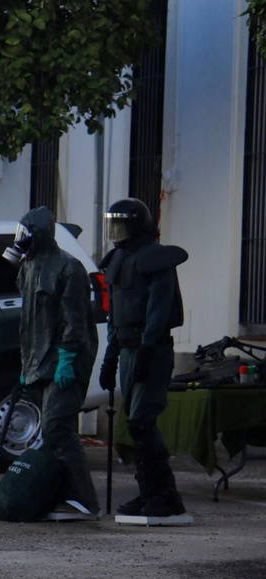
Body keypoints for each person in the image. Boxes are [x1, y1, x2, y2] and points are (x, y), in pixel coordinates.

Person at [97, 197, 189, 519]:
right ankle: (149, 492)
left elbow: (158, 309)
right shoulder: (118, 260)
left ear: (136, 226)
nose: (115, 231)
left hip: (151, 350)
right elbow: (115, 316)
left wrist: (148, 349)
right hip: (126, 350)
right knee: (135, 425)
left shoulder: (156, 259)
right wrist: (110, 357)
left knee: (142, 422)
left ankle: (167, 496)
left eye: (121, 224)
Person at [12, 206, 99, 515]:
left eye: (27, 234)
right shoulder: (28, 266)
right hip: (40, 363)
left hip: (66, 361)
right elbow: (28, 322)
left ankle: (84, 501)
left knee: (56, 428)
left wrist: (68, 358)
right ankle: (61, 495)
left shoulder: (69, 268)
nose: (21, 239)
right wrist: (27, 365)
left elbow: (75, 320)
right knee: (53, 434)